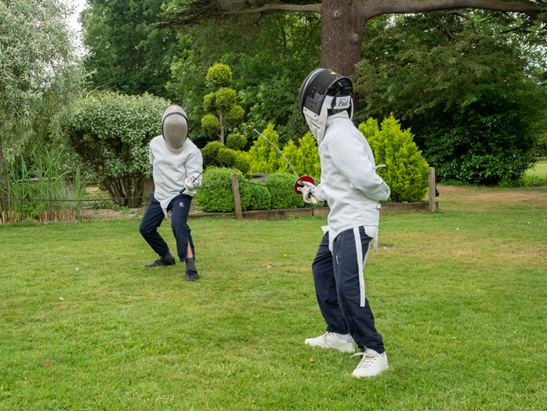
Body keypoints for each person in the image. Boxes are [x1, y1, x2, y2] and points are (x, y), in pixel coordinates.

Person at [298, 69, 391, 377]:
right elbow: (339, 182)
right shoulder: (335, 133)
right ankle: (339, 334)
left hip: (354, 221)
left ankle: (374, 351)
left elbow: (364, 178)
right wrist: (315, 191)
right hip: (340, 221)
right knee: (322, 270)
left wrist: (383, 191)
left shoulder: (339, 135)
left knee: (348, 286)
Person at [139, 105, 203, 281]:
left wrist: (193, 182)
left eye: (178, 129)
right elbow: (155, 165)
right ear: (164, 128)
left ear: (185, 129)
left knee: (178, 224)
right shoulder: (155, 144)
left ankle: (190, 266)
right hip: (160, 194)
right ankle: (166, 256)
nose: (175, 133)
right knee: (145, 228)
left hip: (180, 194)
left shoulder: (193, 151)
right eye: (171, 129)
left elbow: (195, 176)